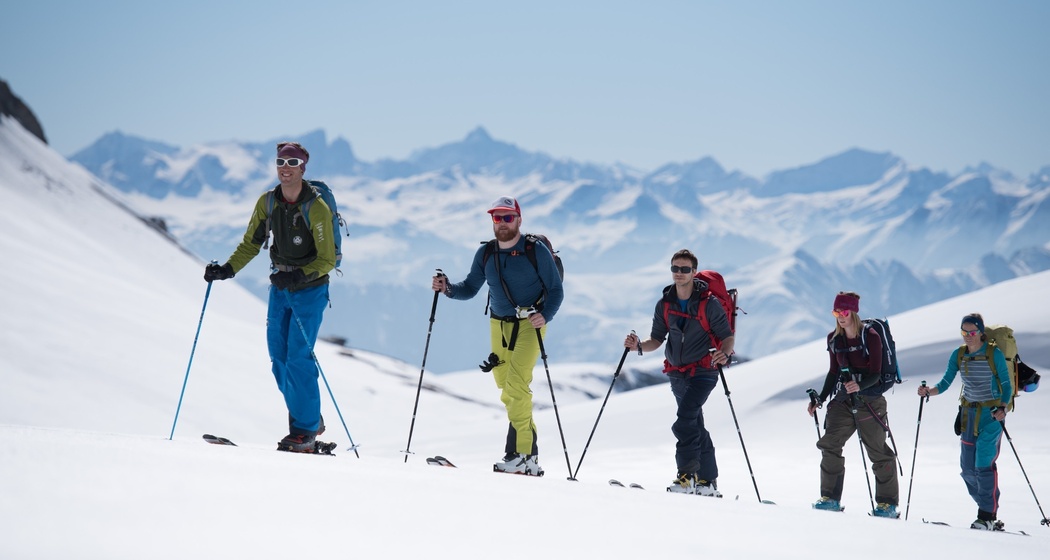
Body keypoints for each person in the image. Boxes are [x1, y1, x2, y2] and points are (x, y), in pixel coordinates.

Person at [203, 141, 337, 452]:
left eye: (292, 163)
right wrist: (227, 269)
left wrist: (298, 275)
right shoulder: (267, 203)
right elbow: (252, 243)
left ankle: (304, 431)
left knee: (298, 358)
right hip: (280, 288)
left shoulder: (316, 207)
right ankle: (311, 418)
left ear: (303, 168)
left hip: (309, 290)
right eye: (280, 161)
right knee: (278, 360)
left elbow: (327, 259)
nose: (285, 168)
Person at [431, 196, 564, 476]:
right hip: (498, 325)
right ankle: (530, 457)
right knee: (507, 390)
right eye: (497, 217)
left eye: (507, 217)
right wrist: (448, 289)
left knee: (517, 384)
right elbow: (469, 287)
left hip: (531, 323)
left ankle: (521, 454)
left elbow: (556, 290)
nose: (502, 223)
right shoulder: (486, 253)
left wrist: (545, 315)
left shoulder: (535, 250)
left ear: (518, 219)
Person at [624, 249, 734, 496]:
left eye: (685, 269)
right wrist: (639, 346)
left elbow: (727, 336)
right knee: (695, 423)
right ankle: (708, 482)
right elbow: (656, 339)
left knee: (685, 418)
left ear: (694, 272)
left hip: (704, 370)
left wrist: (724, 353)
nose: (679, 273)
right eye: (675, 268)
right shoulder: (665, 304)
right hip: (676, 372)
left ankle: (686, 477)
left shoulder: (709, 304)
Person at [807, 291, 900, 517]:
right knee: (829, 444)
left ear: (854, 312)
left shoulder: (871, 336)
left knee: (877, 450)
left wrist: (860, 386)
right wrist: (820, 397)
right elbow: (833, 372)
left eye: (844, 311)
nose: (840, 316)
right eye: (836, 312)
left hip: (870, 400)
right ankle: (829, 498)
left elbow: (876, 373)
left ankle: (887, 505)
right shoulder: (834, 339)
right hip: (844, 399)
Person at [917, 313, 1011, 531]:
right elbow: (946, 381)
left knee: (983, 466)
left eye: (972, 332)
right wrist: (929, 391)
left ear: (980, 332)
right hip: (968, 415)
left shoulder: (993, 353)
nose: (968, 336)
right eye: (964, 332)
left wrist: (1003, 407)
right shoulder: (959, 354)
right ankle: (989, 509)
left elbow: (1006, 385)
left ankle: (986, 515)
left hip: (991, 415)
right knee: (967, 468)